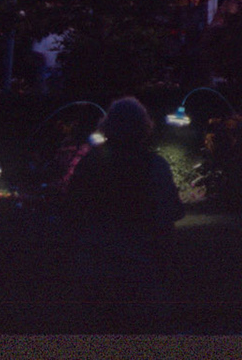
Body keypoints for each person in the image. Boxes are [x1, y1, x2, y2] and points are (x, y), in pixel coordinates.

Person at [62, 96, 183, 330]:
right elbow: (169, 215)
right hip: (140, 262)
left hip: (96, 259)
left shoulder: (90, 163)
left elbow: (72, 209)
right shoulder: (155, 166)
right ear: (144, 127)